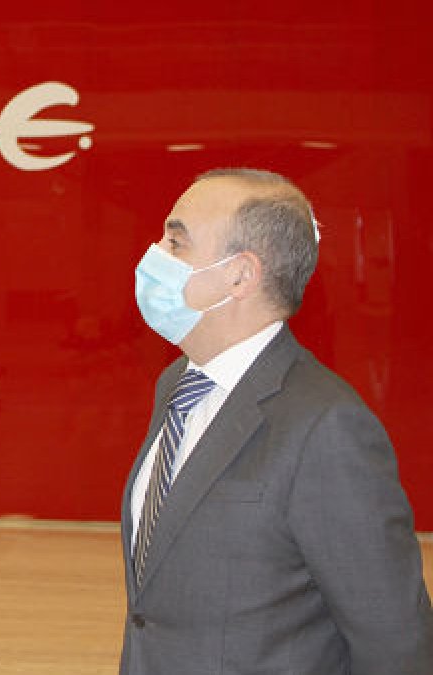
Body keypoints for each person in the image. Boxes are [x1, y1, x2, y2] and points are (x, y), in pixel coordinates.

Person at [121, 168, 433, 674]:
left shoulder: (327, 426)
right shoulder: (177, 384)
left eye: (175, 243)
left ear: (241, 275)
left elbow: (394, 638)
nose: (155, 255)